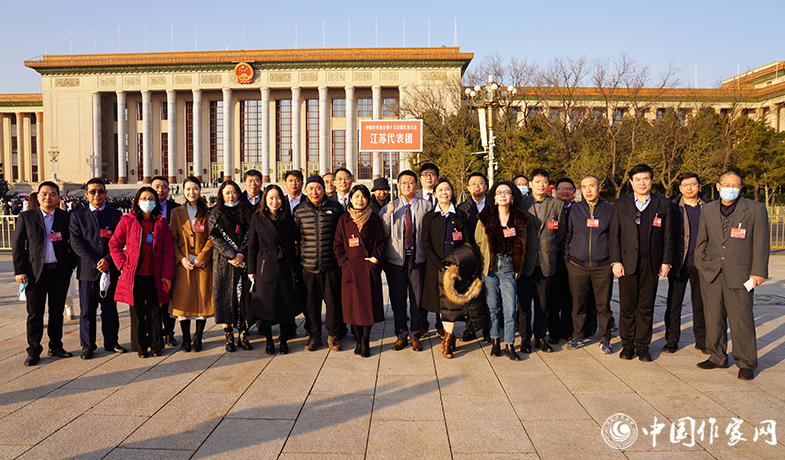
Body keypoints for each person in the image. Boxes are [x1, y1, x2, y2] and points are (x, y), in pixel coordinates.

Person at [695, 171, 769, 380]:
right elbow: (702, 239)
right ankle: (717, 356)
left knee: (741, 319)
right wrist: (700, 263)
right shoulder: (708, 209)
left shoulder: (755, 209)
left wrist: (758, 272)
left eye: (735, 186)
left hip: (741, 273)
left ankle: (746, 362)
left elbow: (761, 243)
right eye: (726, 185)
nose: (730, 189)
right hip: (712, 271)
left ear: (741, 188)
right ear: (718, 187)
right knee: (713, 317)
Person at [610, 163, 673, 363]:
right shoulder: (621, 204)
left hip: (652, 262)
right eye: (637, 179)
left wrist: (666, 262)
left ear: (652, 180)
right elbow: (614, 235)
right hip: (627, 262)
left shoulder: (663, 204)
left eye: (646, 178)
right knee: (627, 306)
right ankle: (627, 344)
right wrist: (616, 261)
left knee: (646, 306)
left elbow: (668, 236)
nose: (642, 182)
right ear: (631, 182)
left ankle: (643, 346)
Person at [13, 182, 76, 366]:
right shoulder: (26, 217)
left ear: (58, 197)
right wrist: (20, 271)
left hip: (59, 272)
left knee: (57, 312)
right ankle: (33, 350)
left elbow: (73, 243)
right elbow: (18, 246)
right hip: (35, 273)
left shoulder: (65, 217)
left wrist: (69, 266)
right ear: (38, 196)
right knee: (35, 313)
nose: (48, 197)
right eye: (44, 194)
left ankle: (56, 345)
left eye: (52, 194)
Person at [109, 187, 175, 358]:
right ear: (137, 201)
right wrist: (122, 265)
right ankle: (140, 347)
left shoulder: (161, 222)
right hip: (135, 274)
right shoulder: (127, 220)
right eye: (144, 198)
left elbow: (168, 250)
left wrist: (167, 275)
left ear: (156, 202)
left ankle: (156, 345)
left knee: (155, 310)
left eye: (151, 198)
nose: (147, 201)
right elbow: (114, 244)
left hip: (155, 274)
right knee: (137, 311)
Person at [69, 178, 127, 359]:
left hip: (110, 269)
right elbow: (76, 243)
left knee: (110, 308)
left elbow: (121, 240)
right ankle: (88, 345)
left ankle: (111, 341)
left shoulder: (115, 214)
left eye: (100, 191)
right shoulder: (77, 216)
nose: (97, 195)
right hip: (88, 271)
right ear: (86, 194)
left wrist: (108, 260)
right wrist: (96, 262)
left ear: (106, 193)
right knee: (87, 310)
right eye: (92, 191)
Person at [475, 181, 529, 360]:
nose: (503, 195)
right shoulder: (485, 217)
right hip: (490, 267)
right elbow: (478, 239)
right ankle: (495, 341)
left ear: (512, 197)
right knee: (493, 308)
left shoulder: (520, 218)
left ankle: (510, 345)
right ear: (494, 197)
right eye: (499, 192)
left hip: (508, 267)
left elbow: (524, 242)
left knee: (510, 309)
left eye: (507, 192)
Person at [333, 184, 387, 357]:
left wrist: (376, 258)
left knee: (367, 307)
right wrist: (344, 263)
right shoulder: (344, 220)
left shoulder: (375, 219)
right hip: (351, 270)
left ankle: (365, 341)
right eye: (356, 196)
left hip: (368, 269)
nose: (360, 200)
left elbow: (382, 242)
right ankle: (357, 339)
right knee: (353, 309)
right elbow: (337, 245)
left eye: (363, 196)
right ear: (351, 199)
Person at [382, 170, 432, 351]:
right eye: (403, 182)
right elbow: (383, 233)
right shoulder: (390, 206)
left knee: (417, 300)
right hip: (396, 260)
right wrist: (387, 215)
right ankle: (401, 335)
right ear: (398, 186)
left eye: (410, 182)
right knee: (398, 300)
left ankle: (415, 335)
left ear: (416, 185)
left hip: (418, 258)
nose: (407, 186)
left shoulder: (426, 206)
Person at [294, 174, 345, 351]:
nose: (314, 192)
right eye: (311, 188)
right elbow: (296, 237)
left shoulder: (336, 208)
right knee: (311, 304)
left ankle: (333, 335)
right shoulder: (299, 211)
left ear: (324, 190)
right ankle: (314, 335)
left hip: (330, 265)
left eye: (318, 188)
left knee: (333, 303)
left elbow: (341, 235)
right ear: (305, 190)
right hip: (308, 266)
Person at [518, 168, 566, 353]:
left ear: (548, 184)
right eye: (537, 181)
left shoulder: (557, 205)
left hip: (546, 261)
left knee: (543, 305)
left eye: (544, 181)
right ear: (530, 184)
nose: (541, 184)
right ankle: (524, 339)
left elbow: (560, 233)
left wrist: (549, 247)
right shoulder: (521, 204)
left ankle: (540, 338)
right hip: (525, 262)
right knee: (524, 305)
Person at [564, 175, 614, 354]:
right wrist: (568, 260)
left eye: (591, 186)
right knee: (578, 305)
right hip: (577, 266)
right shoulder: (575, 209)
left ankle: (605, 338)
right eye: (584, 187)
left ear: (599, 188)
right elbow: (567, 236)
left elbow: (614, 237)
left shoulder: (609, 209)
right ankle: (577, 336)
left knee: (603, 306)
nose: (588, 190)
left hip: (603, 267)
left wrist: (612, 261)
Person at [248, 184, 301, 355]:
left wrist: (294, 266)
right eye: (271, 198)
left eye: (278, 198)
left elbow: (293, 244)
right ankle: (269, 341)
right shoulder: (257, 219)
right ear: (265, 200)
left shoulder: (287, 218)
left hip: (285, 264)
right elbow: (252, 246)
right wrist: (251, 270)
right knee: (267, 305)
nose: (275, 201)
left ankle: (283, 340)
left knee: (285, 303)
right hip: (265, 265)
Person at [422, 177, 470, 358]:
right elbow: (425, 243)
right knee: (441, 305)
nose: (444, 193)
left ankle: (448, 340)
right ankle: (448, 336)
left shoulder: (460, 216)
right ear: (435, 194)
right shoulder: (430, 217)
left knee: (451, 305)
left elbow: (467, 242)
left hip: (455, 269)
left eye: (447, 189)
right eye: (440, 190)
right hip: (435, 268)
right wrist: (439, 265)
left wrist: (457, 264)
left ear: (452, 192)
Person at [663, 173, 710, 354]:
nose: (689, 188)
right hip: (679, 262)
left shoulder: (709, 207)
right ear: (680, 188)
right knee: (674, 304)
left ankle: (702, 340)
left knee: (700, 304)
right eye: (685, 185)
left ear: (699, 186)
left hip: (701, 263)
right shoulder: (672, 207)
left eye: (693, 184)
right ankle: (672, 340)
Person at [169, 177, 213, 352]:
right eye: (188, 189)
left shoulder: (207, 212)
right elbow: (172, 239)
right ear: (183, 191)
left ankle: (198, 337)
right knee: (183, 301)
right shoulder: (176, 212)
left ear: (200, 190)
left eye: (195, 188)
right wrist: (181, 258)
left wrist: (201, 257)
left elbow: (211, 238)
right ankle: (186, 338)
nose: (191, 192)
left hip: (202, 263)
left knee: (203, 300)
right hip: (184, 264)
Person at [210, 180, 252, 352]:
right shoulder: (215, 213)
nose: (231, 196)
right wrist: (232, 255)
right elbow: (215, 238)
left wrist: (242, 254)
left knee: (244, 299)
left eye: (234, 192)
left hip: (243, 262)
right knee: (225, 298)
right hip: (224, 262)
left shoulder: (246, 212)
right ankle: (229, 338)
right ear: (221, 195)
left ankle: (243, 334)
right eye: (227, 193)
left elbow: (252, 235)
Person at [151, 175, 180, 347]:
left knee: (169, 298)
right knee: (153, 299)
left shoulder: (176, 209)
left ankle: (169, 332)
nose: (160, 190)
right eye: (157, 187)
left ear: (169, 190)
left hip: (171, 259)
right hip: (151, 260)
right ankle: (155, 334)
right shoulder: (144, 208)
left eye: (163, 187)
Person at [415, 162, 443, 336]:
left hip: (439, 253)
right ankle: (423, 323)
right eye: (425, 174)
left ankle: (441, 324)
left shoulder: (444, 193)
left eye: (432, 174)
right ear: (420, 179)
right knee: (421, 291)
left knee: (440, 289)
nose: (429, 177)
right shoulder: (415, 196)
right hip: (420, 251)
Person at [548, 178, 577, 342]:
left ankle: (567, 330)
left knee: (569, 298)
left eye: (569, 189)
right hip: (553, 259)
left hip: (573, 261)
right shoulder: (550, 208)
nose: (565, 191)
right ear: (555, 192)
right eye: (561, 189)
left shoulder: (578, 209)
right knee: (553, 298)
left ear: (574, 192)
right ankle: (553, 331)